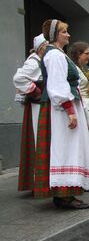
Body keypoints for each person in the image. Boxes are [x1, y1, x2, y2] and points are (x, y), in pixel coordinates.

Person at [35, 19, 89, 208]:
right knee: (65, 148)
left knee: (68, 148)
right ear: (54, 35)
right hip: (61, 109)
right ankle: (64, 194)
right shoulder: (54, 55)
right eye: (64, 32)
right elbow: (57, 84)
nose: (68, 34)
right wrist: (69, 110)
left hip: (64, 106)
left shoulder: (59, 54)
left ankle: (65, 193)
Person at [14, 34, 47, 192]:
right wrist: (35, 91)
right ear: (42, 47)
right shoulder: (34, 62)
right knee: (36, 140)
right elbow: (19, 78)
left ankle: (38, 181)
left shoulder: (39, 61)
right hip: (36, 107)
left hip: (39, 106)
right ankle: (36, 183)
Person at [69, 42, 89, 189]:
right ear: (78, 54)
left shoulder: (82, 69)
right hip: (83, 108)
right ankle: (86, 176)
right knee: (87, 143)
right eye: (86, 53)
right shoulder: (74, 69)